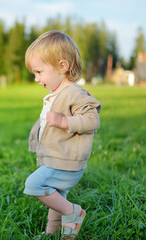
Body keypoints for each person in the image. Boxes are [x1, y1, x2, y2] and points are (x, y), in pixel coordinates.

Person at [23, 30, 101, 239]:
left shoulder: (74, 92)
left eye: (39, 72)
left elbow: (93, 120)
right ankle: (54, 233)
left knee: (34, 184)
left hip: (66, 162)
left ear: (62, 66)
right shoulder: (56, 93)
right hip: (57, 158)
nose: (37, 79)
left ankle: (72, 212)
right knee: (57, 196)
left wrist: (64, 121)